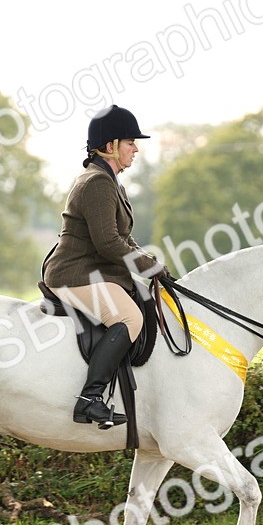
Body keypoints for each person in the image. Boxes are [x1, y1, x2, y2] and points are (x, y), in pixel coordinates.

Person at [41, 104, 169, 428]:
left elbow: (123, 238)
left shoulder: (110, 181)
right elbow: (108, 244)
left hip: (94, 271)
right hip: (74, 273)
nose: (136, 149)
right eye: (130, 142)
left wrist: (153, 264)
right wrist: (148, 268)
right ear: (110, 146)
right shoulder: (97, 182)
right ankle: (90, 399)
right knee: (129, 317)